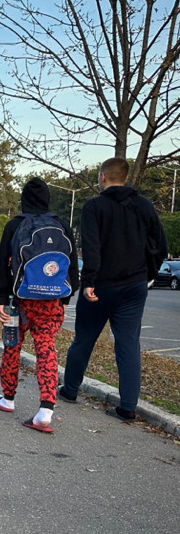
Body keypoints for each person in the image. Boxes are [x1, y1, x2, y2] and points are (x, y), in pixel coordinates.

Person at [59, 157, 167, 422]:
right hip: (134, 286)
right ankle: (128, 407)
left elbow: (92, 247)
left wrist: (90, 281)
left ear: (103, 177)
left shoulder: (94, 206)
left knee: (84, 339)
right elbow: (161, 245)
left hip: (102, 287)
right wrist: (147, 275)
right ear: (126, 178)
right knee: (128, 343)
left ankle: (70, 390)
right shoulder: (144, 205)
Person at [0, 178, 79, 433]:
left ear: (24, 198)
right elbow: (71, 264)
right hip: (51, 300)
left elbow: (3, 265)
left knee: (12, 345)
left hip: (21, 298)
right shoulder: (62, 225)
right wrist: (64, 297)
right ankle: (46, 408)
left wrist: (3, 298)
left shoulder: (16, 225)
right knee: (46, 349)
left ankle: (8, 398)